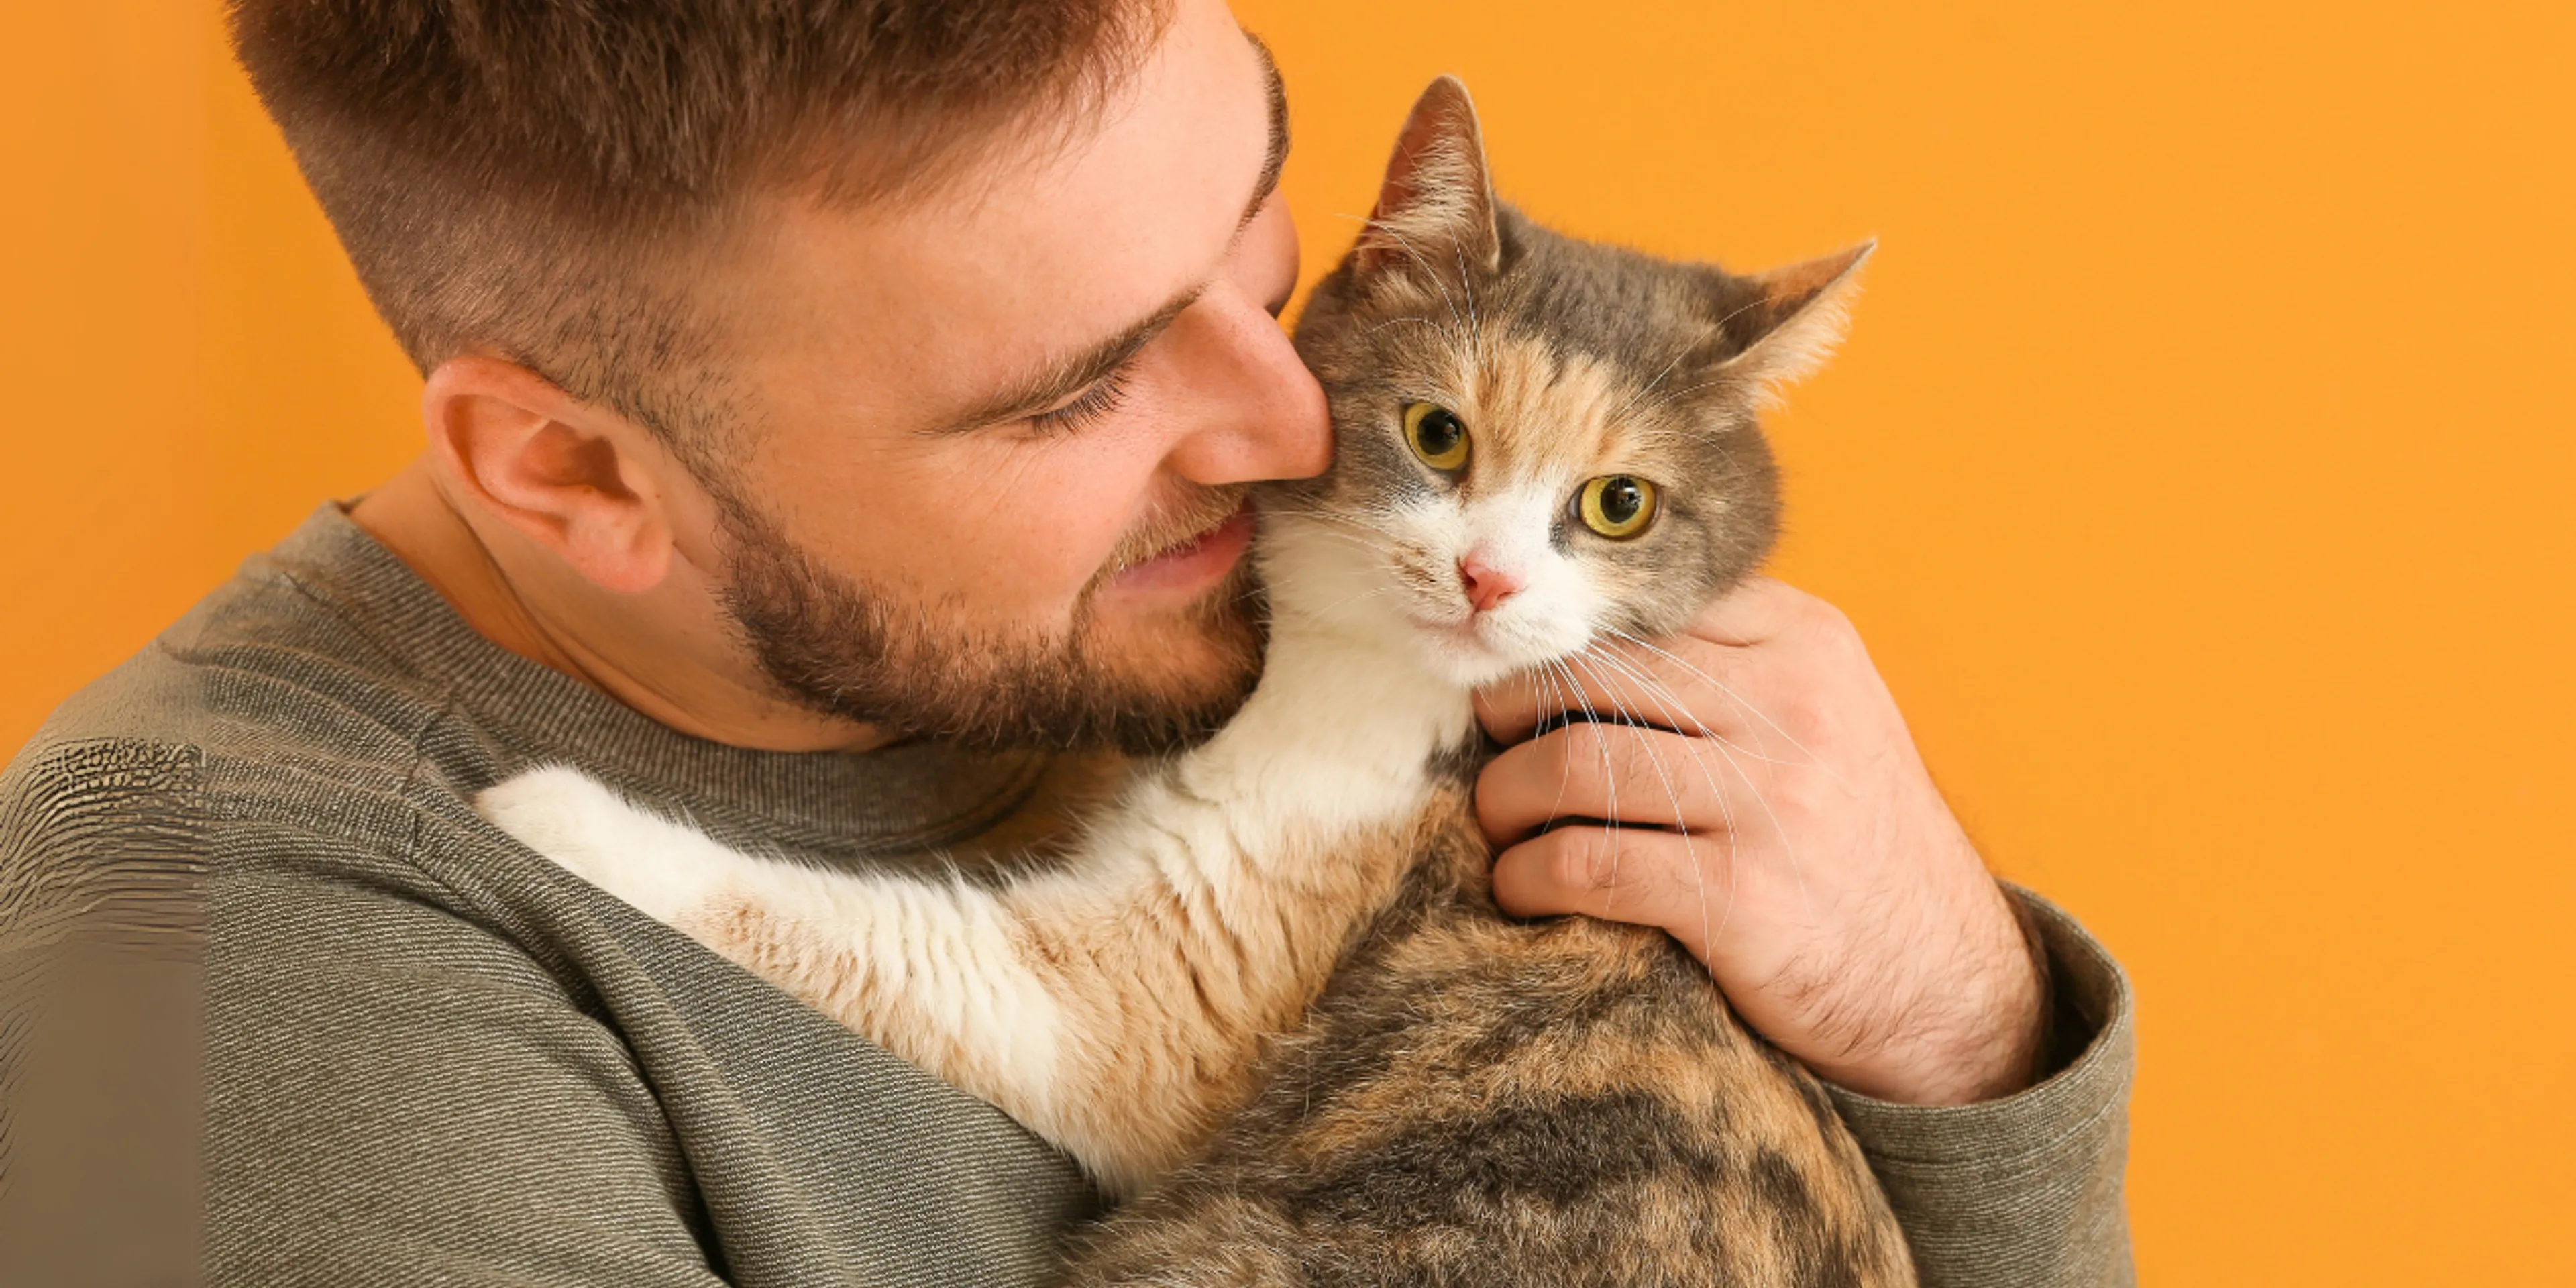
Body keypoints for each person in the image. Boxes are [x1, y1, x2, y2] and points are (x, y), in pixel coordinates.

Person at [0, 0, 2134, 1283]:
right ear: (575, 472)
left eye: (1265, 238)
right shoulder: (202, 960)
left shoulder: (1283, 633)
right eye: (1077, 385)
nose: (1294, 421)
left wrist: (1959, 1030)